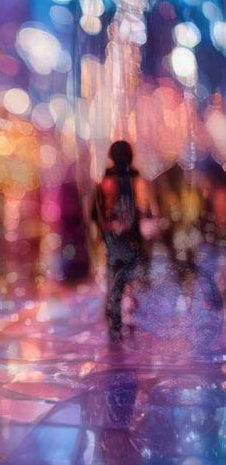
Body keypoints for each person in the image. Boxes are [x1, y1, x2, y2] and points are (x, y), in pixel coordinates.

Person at [93, 140, 148, 340]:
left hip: (113, 241)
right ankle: (131, 318)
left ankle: (115, 323)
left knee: (115, 282)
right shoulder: (136, 179)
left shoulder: (105, 180)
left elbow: (95, 213)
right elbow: (145, 210)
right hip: (132, 240)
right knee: (133, 279)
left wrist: (104, 232)